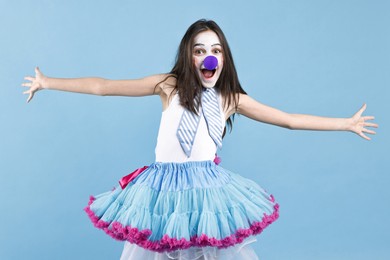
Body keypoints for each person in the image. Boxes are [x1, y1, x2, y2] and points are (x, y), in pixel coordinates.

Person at [22, 19, 377, 260]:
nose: (209, 55)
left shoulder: (230, 99)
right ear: (189, 57)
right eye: (200, 49)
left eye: (216, 50)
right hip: (160, 191)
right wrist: (49, 82)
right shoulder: (169, 85)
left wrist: (344, 123)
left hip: (208, 192)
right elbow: (104, 87)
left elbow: (288, 120)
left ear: (224, 58)